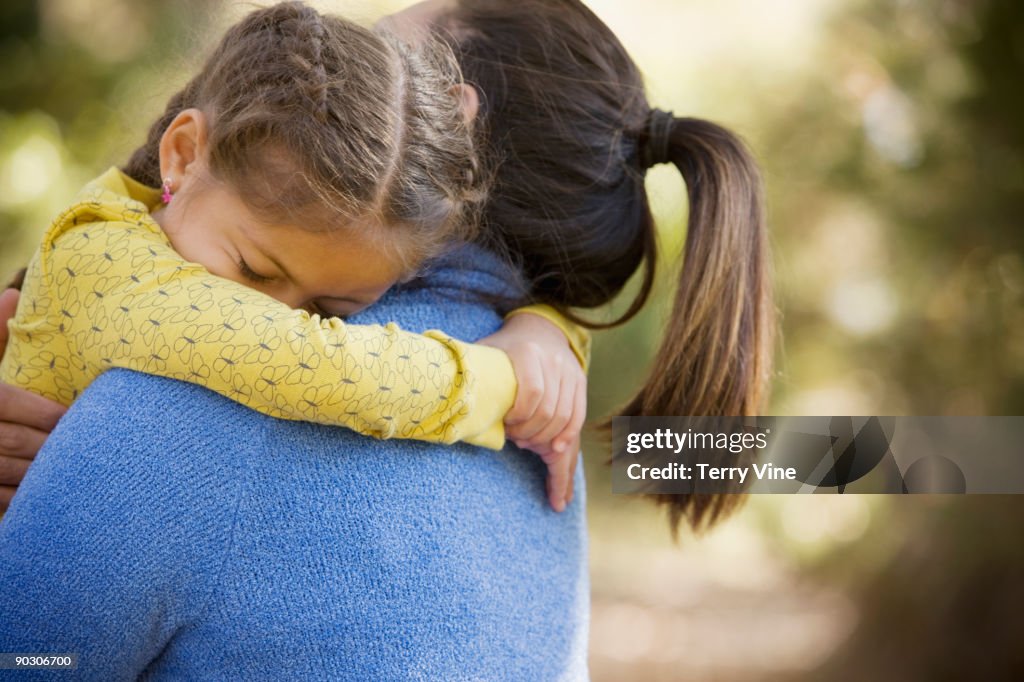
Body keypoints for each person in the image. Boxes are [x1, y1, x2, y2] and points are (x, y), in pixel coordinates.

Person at [0, 1, 588, 511]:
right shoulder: (110, 263)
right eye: (255, 271)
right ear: (181, 154)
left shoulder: (179, 220)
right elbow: (322, 367)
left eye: (330, 307)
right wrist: (508, 382)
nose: (284, 316)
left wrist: (549, 327)